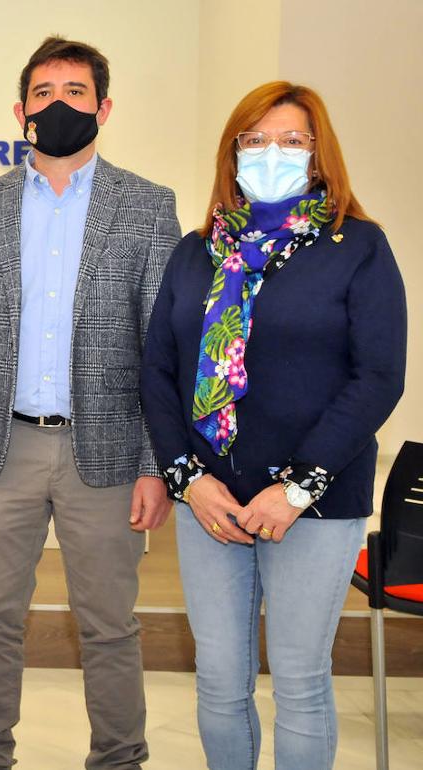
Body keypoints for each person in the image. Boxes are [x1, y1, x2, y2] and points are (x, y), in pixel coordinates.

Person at [0, 36, 180, 770]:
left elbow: (162, 351)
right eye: (44, 93)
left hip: (107, 453)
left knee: (110, 626)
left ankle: (119, 760)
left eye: (75, 92)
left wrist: (155, 465)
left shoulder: (148, 206)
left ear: (104, 108)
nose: (59, 104)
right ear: (20, 112)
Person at [141, 81, 406, 770]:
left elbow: (378, 377)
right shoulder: (196, 251)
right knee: (219, 681)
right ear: (232, 154)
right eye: (254, 140)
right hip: (211, 501)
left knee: (300, 682)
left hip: (313, 503)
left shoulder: (358, 247)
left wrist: (295, 488)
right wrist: (187, 480)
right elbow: (158, 371)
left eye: (291, 141)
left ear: (319, 156)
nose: (271, 154)